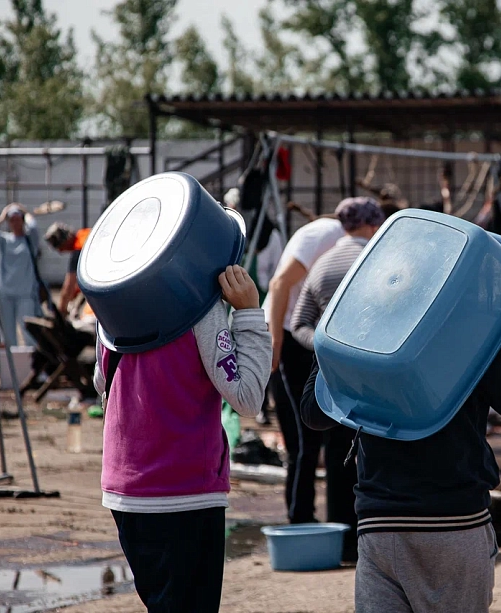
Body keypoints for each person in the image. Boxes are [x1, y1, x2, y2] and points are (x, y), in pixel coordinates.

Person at [301, 282, 501, 613]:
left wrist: (332, 336)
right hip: (454, 524)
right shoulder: (471, 340)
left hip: (380, 525)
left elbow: (314, 413)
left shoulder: (368, 335)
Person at [94, 265, 271, 612]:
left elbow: (101, 382)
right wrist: (248, 313)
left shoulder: (111, 303)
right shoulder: (199, 311)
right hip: (186, 494)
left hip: (124, 493)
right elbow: (247, 397)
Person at [290, 197, 387, 562]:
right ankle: (375, 536)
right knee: (378, 453)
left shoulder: (322, 264)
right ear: (374, 223)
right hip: (380, 371)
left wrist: (329, 349)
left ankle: (342, 538)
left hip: (335, 377)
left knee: (337, 454)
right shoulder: (382, 258)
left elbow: (299, 322)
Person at [265, 214, 345, 524]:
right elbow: (279, 282)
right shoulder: (328, 234)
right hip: (289, 337)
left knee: (312, 437)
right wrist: (275, 341)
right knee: (303, 437)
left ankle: (306, 516)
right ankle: (300, 519)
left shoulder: (336, 234)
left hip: (303, 336)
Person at [0, 204, 42, 347]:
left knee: (29, 333)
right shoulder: (4, 240)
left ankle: (32, 366)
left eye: (18, 219)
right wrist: (2, 215)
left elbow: (34, 226)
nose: (15, 223)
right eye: (11, 220)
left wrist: (24, 211)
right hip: (5, 295)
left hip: (25, 295)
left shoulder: (30, 240)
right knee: (7, 336)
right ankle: (10, 368)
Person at [43, 223, 91, 317]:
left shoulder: (78, 249)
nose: (60, 251)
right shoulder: (84, 233)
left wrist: (61, 311)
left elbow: (68, 287)